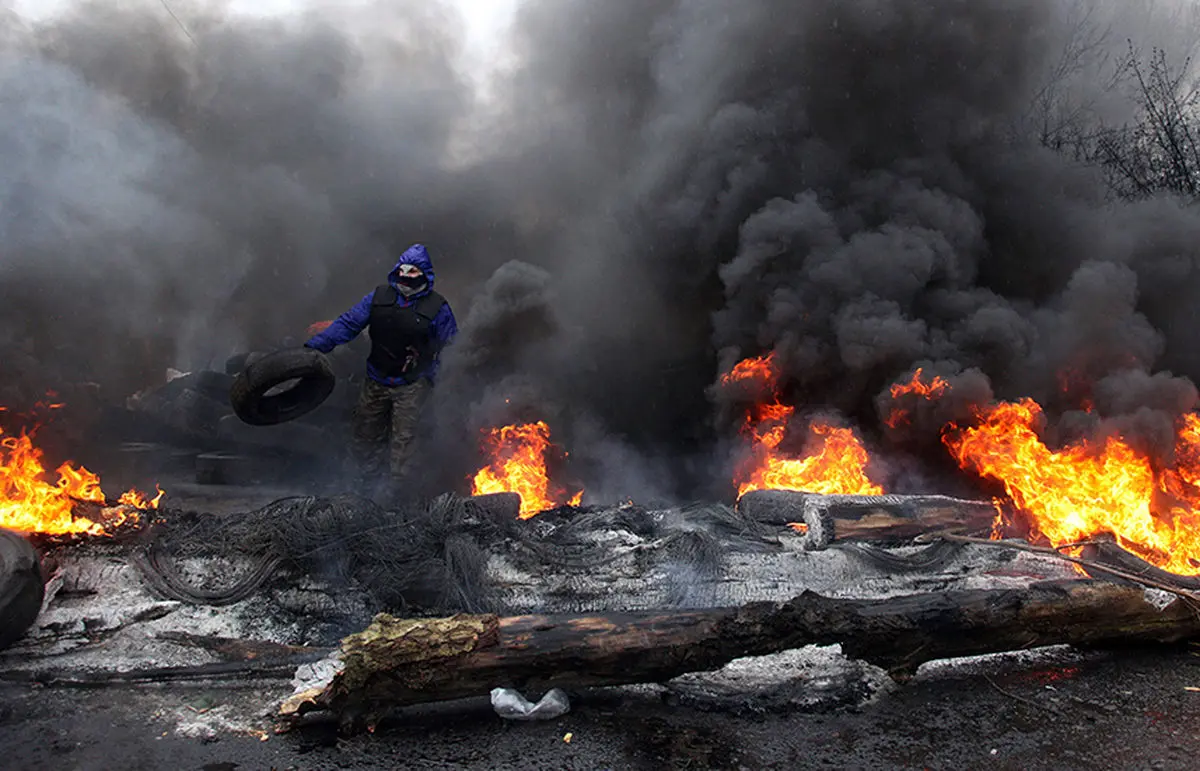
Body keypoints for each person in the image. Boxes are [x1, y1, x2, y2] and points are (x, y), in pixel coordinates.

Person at [304, 244, 458, 492]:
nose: (406, 278)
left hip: (412, 385)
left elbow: (452, 346)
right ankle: (362, 492)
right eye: (403, 271)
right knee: (364, 438)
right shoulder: (378, 298)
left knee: (405, 445)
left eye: (413, 272)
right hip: (376, 379)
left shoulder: (437, 308)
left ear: (424, 274)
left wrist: (433, 377)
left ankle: (399, 498)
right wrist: (315, 347)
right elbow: (348, 323)